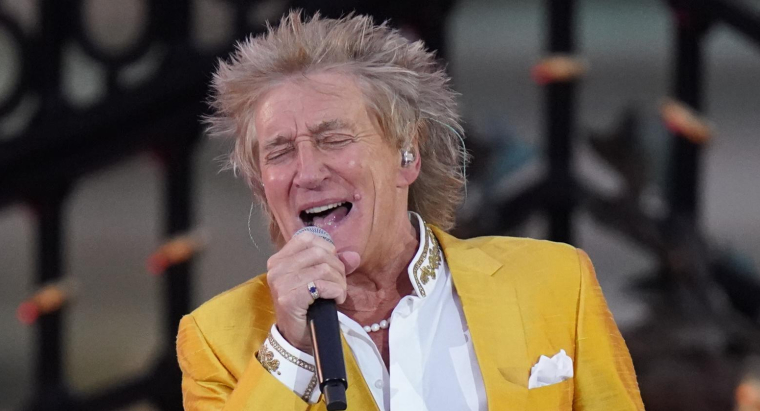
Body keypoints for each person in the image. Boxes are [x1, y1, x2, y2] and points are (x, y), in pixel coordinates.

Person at [176, 11, 644, 411]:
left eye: (333, 139)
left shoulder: (555, 282)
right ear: (262, 187)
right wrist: (290, 348)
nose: (308, 172)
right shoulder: (216, 340)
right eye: (279, 152)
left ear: (407, 155)